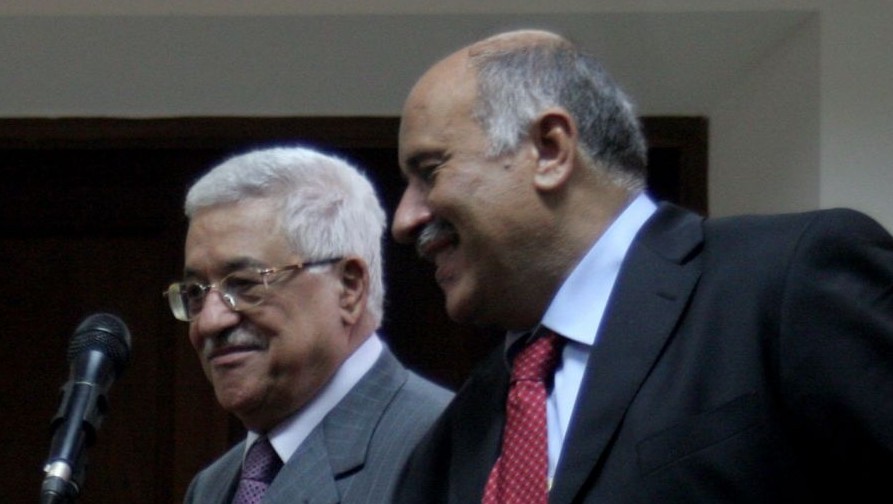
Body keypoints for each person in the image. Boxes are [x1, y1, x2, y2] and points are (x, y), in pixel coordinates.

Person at [390, 29, 893, 503]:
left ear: (550, 150)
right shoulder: (454, 439)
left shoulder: (788, 283)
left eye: (430, 171)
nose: (404, 221)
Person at [166, 145, 453, 503]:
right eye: (195, 292)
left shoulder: (445, 445)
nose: (209, 322)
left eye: (244, 283)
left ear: (348, 288)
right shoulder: (211, 487)